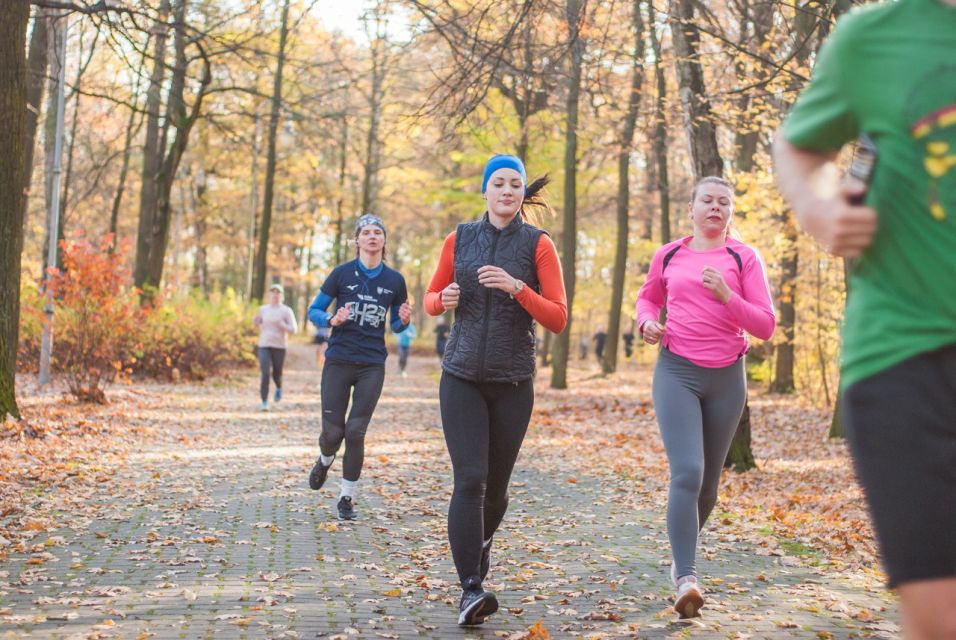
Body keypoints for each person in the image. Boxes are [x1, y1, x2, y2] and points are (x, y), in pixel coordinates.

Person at [772, 1, 956, 635]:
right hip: (902, 353)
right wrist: (821, 209)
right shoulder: (872, 38)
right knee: (941, 618)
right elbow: (798, 148)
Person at [424, 154, 567, 626]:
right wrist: (441, 301)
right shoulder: (458, 238)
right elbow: (430, 299)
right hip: (461, 375)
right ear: (485, 190)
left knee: (497, 491)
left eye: (515, 184)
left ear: (523, 194)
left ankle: (480, 545)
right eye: (499, 183)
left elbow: (558, 318)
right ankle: (470, 589)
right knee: (470, 480)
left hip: (512, 382)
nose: (507, 190)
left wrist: (517, 288)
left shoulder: (539, 245)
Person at [636, 176, 775, 619]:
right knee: (688, 472)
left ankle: (680, 558)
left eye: (724, 202)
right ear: (692, 208)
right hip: (677, 371)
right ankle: (687, 578)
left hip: (726, 379)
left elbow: (765, 325)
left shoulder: (744, 257)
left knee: (708, 487)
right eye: (707, 200)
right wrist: (646, 324)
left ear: (730, 213)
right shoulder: (670, 254)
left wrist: (727, 295)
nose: (716, 207)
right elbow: (647, 298)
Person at [307, 214, 412, 521]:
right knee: (332, 433)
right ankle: (325, 460)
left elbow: (396, 325)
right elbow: (314, 310)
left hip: (371, 364)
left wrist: (403, 319)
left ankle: (346, 498)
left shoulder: (395, 281)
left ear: (383, 241)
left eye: (377, 232)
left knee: (355, 431)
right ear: (358, 240)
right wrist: (331, 320)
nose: (372, 236)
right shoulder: (341, 274)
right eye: (366, 232)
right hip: (339, 360)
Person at [253, 283, 298, 412]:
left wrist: (282, 324)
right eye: (273, 292)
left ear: (281, 296)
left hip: (279, 346)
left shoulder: (286, 310)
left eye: (278, 292)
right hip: (264, 344)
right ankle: (264, 401)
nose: (275, 295)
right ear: (269, 295)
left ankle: (279, 386)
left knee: (277, 373)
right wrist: (255, 321)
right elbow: (257, 323)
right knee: (265, 372)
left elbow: (294, 329)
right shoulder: (263, 309)